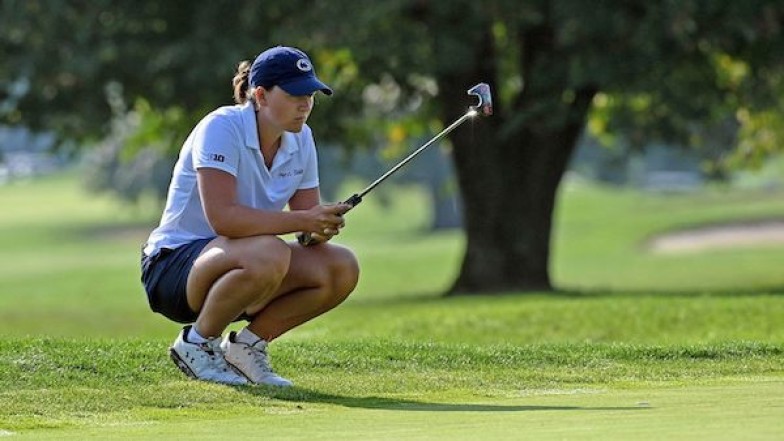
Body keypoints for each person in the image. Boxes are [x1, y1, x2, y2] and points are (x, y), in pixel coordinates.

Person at [140, 46, 359, 387]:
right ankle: (196, 345)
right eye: (295, 94)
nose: (306, 104)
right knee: (270, 251)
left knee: (340, 266)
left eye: (311, 94)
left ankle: (246, 348)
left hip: (244, 268)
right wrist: (303, 221)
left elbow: (304, 226)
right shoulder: (221, 127)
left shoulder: (301, 139)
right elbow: (223, 219)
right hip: (173, 268)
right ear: (260, 95)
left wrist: (320, 226)